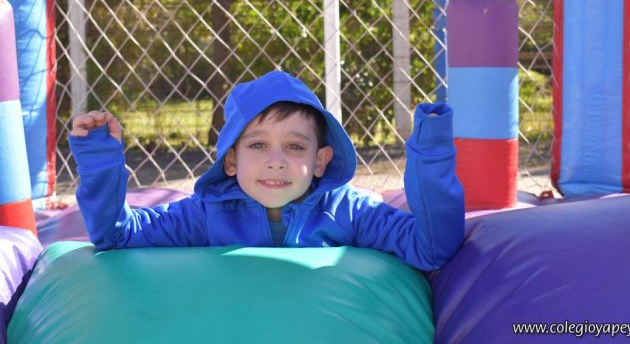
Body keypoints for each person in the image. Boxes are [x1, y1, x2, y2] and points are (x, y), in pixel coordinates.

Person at [69, 70, 464, 270]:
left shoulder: (349, 211)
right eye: (258, 145)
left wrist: (430, 152)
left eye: (295, 146)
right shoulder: (207, 213)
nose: (276, 160)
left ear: (321, 160)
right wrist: (99, 159)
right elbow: (118, 236)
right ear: (231, 161)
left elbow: (431, 249)